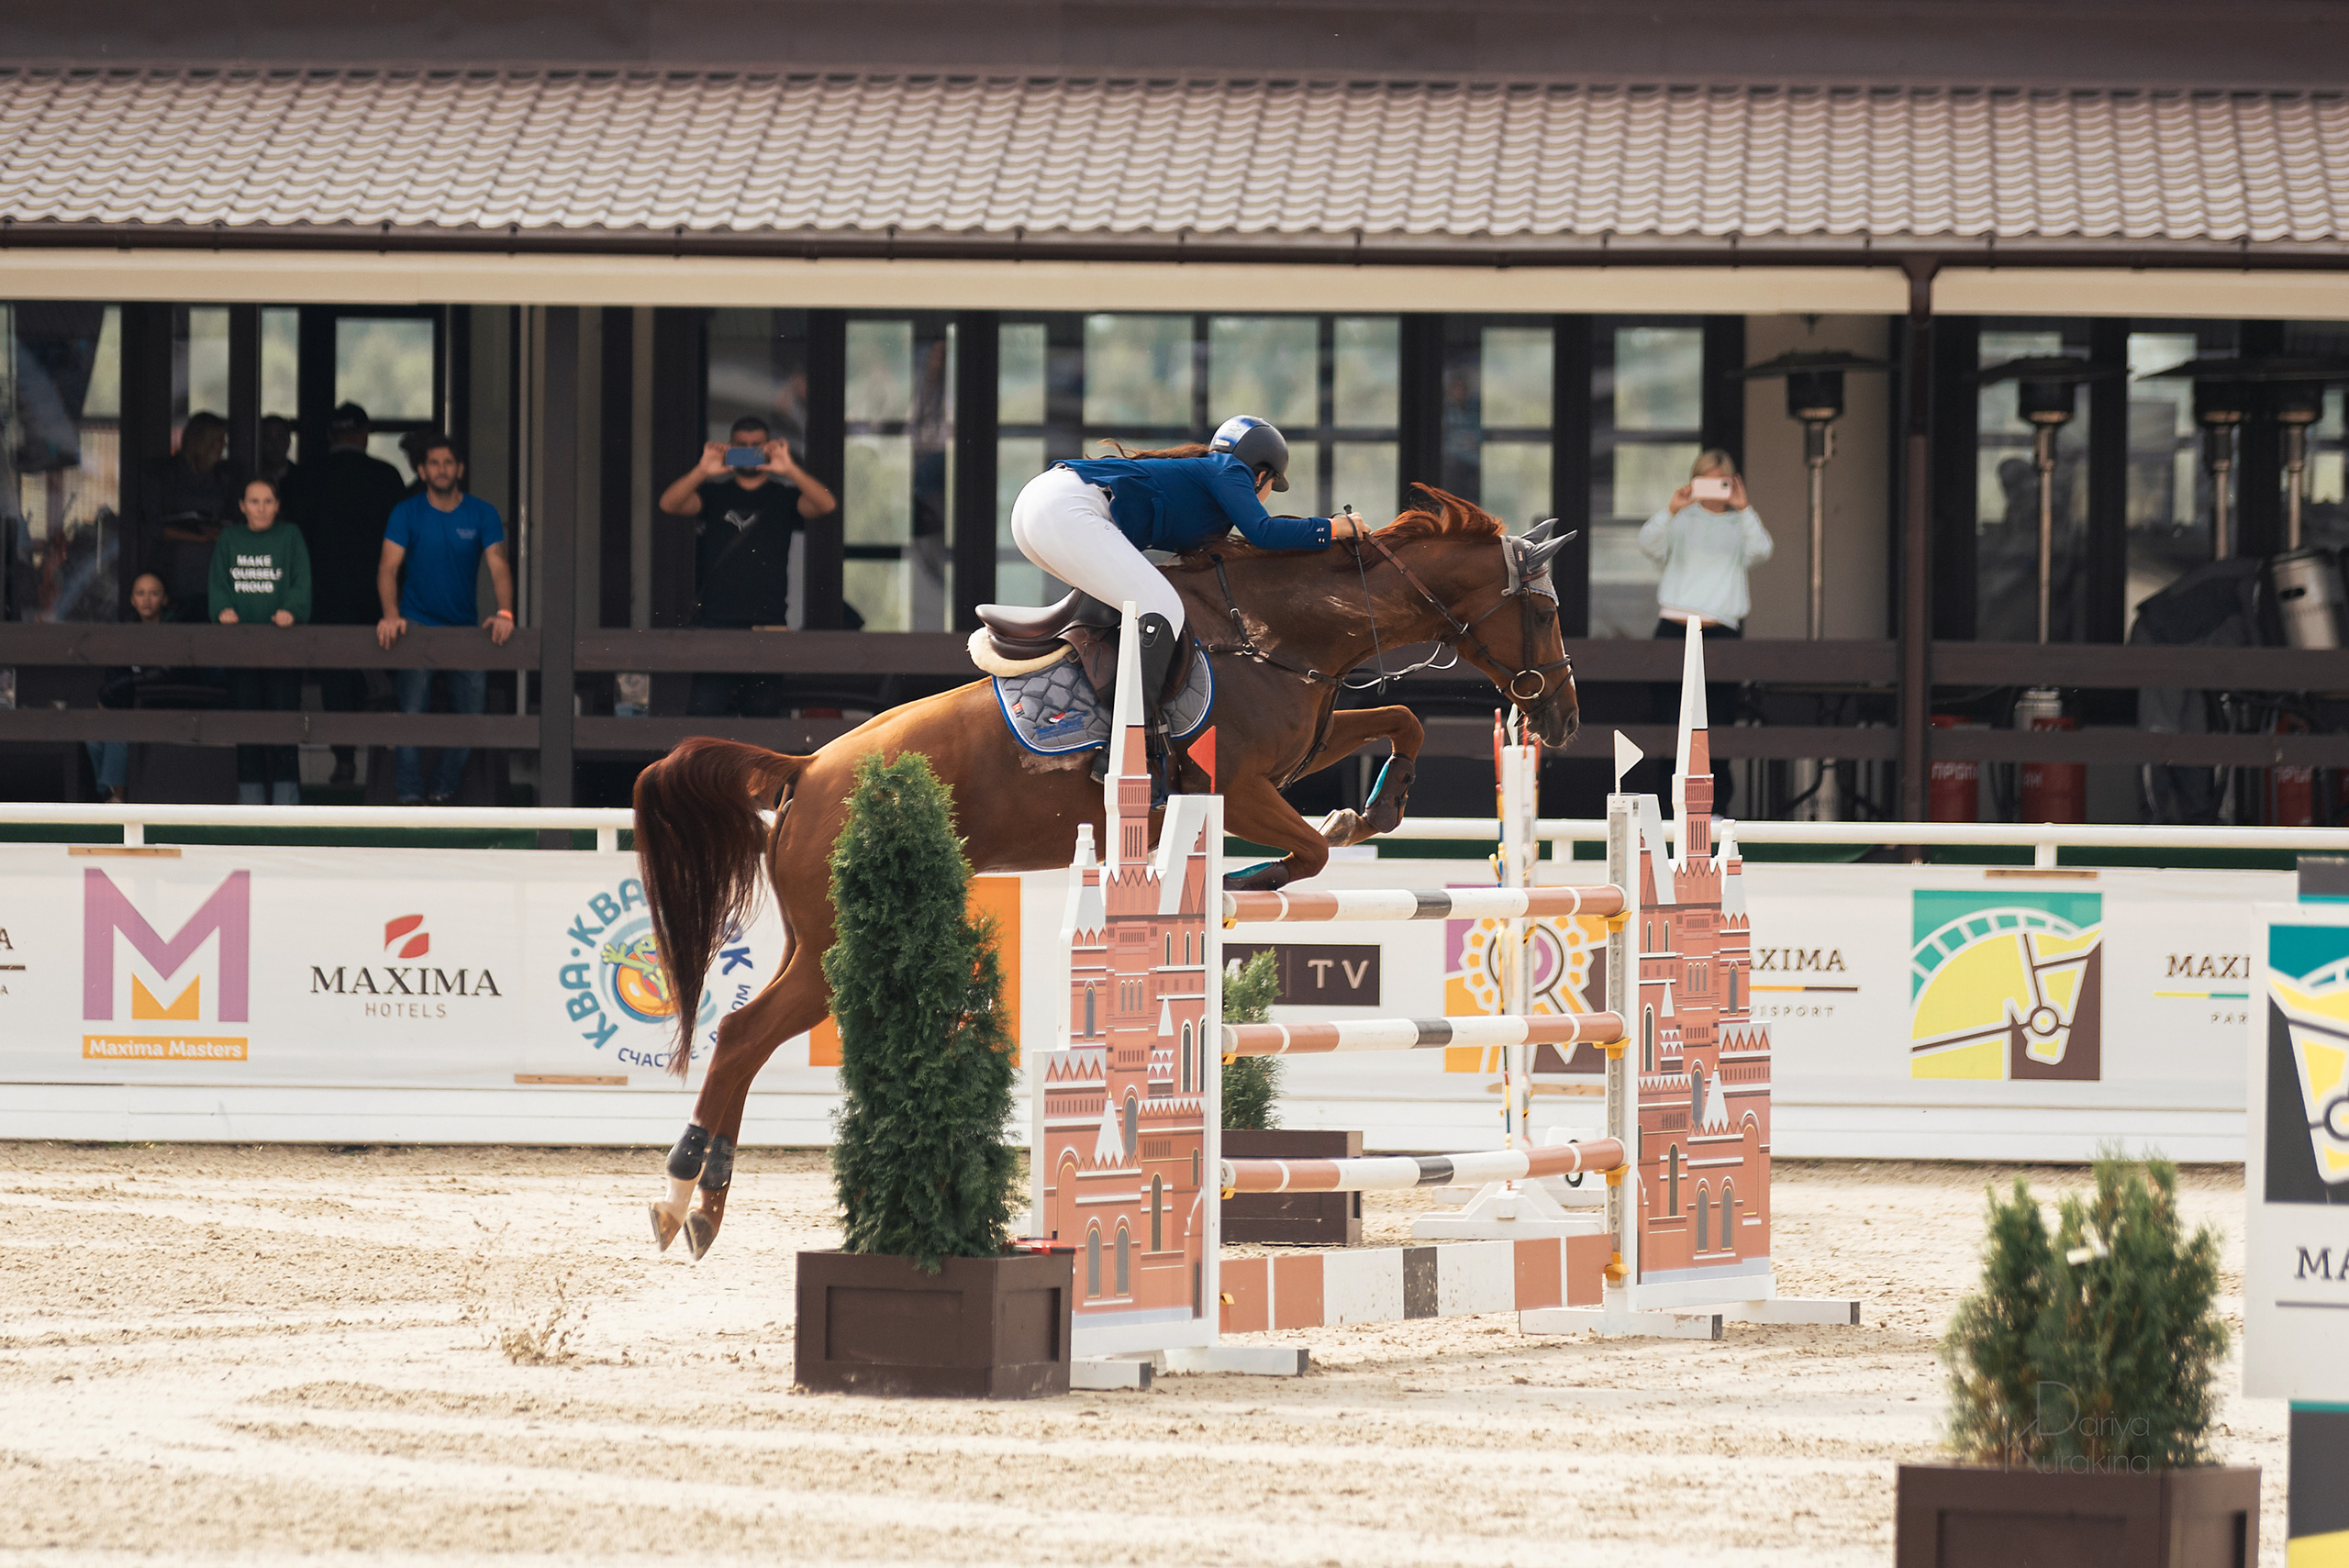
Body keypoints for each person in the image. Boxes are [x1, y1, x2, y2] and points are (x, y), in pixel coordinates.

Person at [996, 414, 1367, 777]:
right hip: (1065, 508)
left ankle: (1088, 712)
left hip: (1037, 508)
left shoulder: (1205, 485)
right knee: (1162, 609)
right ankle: (1127, 741)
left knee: (1130, 607)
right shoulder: (1229, 470)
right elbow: (1264, 532)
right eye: (1272, 485)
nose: (1266, 496)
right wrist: (1334, 528)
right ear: (1261, 474)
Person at [657, 415, 839, 717]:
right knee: (705, 712)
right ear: (730, 448)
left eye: (756, 446)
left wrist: (790, 468)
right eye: (741, 446)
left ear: (768, 449)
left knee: (763, 715)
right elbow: (669, 504)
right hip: (715, 621)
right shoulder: (714, 494)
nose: (749, 450)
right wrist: (703, 471)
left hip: (768, 620)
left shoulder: (784, 496)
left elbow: (826, 505)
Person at [376, 435, 515, 806]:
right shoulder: (406, 512)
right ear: (422, 471)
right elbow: (387, 570)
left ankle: (442, 788)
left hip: (465, 628)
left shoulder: (481, 513)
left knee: (471, 712)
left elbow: (498, 565)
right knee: (411, 711)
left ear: (460, 469)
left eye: (448, 462)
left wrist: (505, 613)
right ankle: (408, 794)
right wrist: (391, 617)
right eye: (434, 463)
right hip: (415, 623)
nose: (441, 469)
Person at [1637, 448, 1771, 809]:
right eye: (1705, 480)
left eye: (1720, 482)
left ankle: (1715, 810)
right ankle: (1667, 811)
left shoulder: (1740, 523)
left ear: (1731, 483)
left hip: (1721, 631)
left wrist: (1744, 508)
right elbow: (1647, 544)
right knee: (1670, 726)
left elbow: (1762, 550)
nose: (1712, 489)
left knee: (1719, 725)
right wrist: (1671, 509)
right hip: (1674, 627)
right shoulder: (1681, 519)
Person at [286, 402, 407, 785]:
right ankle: (382, 764)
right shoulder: (386, 476)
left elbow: (293, 539)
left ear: (329, 436)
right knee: (381, 675)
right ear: (365, 434)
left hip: (325, 591)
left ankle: (344, 760)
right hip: (378, 593)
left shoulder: (305, 476)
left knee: (337, 676)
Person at [209, 476, 313, 806]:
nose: (261, 508)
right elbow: (218, 582)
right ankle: (249, 805)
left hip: (283, 648)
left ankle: (287, 806)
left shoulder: (290, 536)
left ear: (278, 505)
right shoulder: (229, 538)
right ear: (242, 506)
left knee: (285, 727)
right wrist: (222, 609)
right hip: (241, 650)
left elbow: (301, 580)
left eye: (268, 501)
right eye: (254, 501)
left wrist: (293, 610)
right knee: (247, 727)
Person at [86, 571, 175, 803]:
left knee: (119, 730)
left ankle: (119, 798)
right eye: (141, 593)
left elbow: (164, 677)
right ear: (132, 600)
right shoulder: (124, 632)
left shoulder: (174, 631)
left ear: (165, 599)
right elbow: (114, 678)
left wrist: (110, 698)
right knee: (92, 736)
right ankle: (109, 792)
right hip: (126, 706)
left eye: (154, 593)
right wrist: (108, 700)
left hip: (162, 708)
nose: (147, 600)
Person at [140, 411, 238, 619]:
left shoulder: (223, 477)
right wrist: (198, 537)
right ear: (203, 442)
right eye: (219, 440)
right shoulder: (165, 475)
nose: (224, 446)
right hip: (176, 566)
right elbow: (153, 526)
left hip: (212, 565)